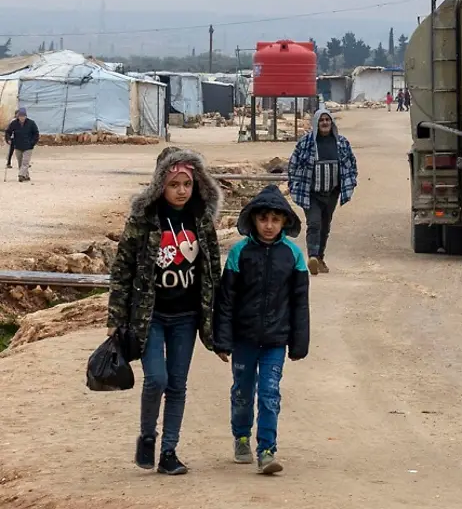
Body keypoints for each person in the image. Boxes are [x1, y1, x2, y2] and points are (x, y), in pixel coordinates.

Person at [106, 149, 224, 475]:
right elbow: (122, 271)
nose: (182, 190)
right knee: (156, 378)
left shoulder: (200, 218)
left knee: (177, 384)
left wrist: (218, 322)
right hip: (150, 316)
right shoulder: (143, 220)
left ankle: (169, 452)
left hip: (186, 317)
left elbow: (213, 270)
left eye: (187, 183)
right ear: (161, 184)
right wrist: (115, 320)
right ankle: (148, 435)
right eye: (174, 184)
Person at [213, 184, 310, 475]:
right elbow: (226, 300)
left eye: (275, 219)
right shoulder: (239, 253)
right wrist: (222, 340)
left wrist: (299, 343)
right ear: (253, 219)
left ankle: (267, 450)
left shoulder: (293, 256)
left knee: (269, 393)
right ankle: (241, 435)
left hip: (275, 341)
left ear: (285, 222)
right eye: (263, 218)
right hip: (243, 339)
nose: (269, 225)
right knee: (243, 391)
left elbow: (299, 304)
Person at [287, 108, 358, 275]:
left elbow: (351, 164)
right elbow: (293, 165)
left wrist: (350, 181)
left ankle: (319, 257)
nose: (325, 123)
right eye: (321, 120)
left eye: (327, 120)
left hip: (332, 193)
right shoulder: (306, 143)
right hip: (311, 193)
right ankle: (312, 256)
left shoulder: (342, 143)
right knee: (314, 223)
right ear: (316, 124)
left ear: (331, 123)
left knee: (325, 226)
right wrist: (294, 184)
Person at [4, 107, 39, 182]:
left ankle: (21, 175)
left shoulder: (31, 123)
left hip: (28, 146)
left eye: (23, 116)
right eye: (20, 116)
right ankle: (26, 176)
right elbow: (8, 132)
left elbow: (36, 134)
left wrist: (32, 143)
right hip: (18, 146)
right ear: (18, 116)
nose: (22, 118)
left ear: (26, 116)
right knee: (20, 162)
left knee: (25, 162)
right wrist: (9, 139)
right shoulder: (14, 123)